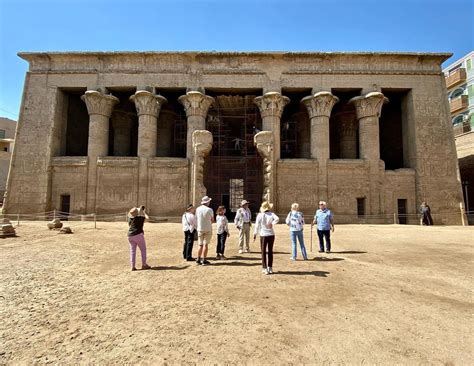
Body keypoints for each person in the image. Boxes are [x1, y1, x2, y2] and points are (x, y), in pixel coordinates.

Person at [253, 201, 279, 275]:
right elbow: (277, 219)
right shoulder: (272, 214)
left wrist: (255, 234)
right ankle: (270, 267)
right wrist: (272, 223)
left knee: (263, 251)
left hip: (263, 234)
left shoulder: (260, 215)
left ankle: (264, 268)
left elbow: (257, 225)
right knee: (270, 251)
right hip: (271, 234)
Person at [127, 206, 151, 271]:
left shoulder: (130, 218)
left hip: (130, 235)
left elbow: (129, 225)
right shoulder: (140, 218)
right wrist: (143, 212)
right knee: (143, 250)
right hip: (138, 234)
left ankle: (132, 266)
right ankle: (144, 264)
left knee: (132, 251)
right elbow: (148, 218)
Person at [195, 196, 215, 265]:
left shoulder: (198, 209)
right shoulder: (210, 210)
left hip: (200, 228)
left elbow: (196, 218)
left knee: (200, 244)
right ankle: (204, 259)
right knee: (205, 244)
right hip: (207, 228)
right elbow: (212, 220)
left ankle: (198, 258)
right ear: (207, 202)